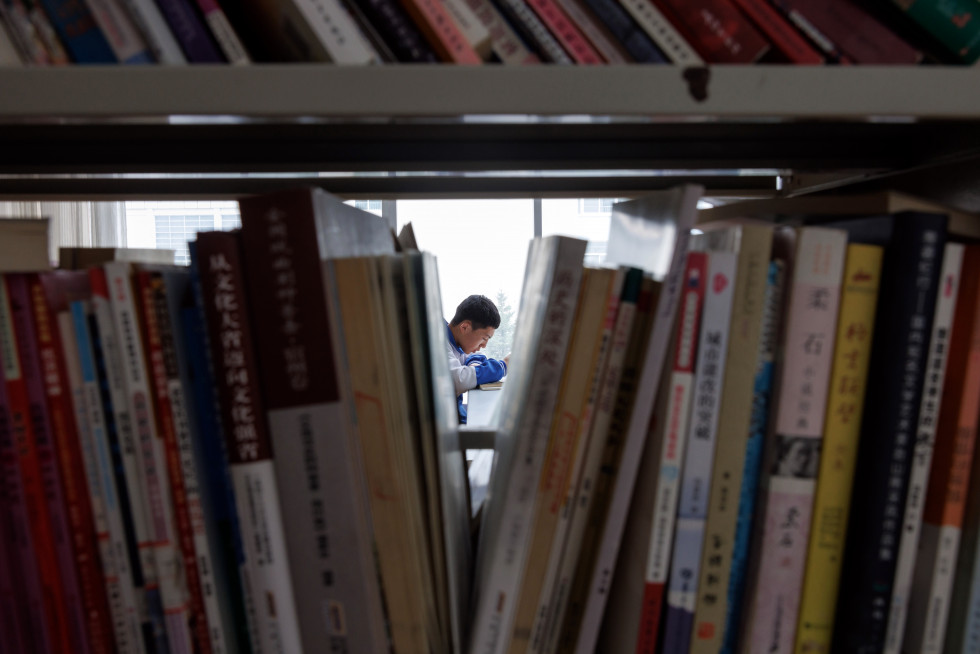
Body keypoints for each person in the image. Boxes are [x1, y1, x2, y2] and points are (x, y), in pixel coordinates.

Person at [447, 294, 508, 423]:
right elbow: (460, 380)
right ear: (465, 327)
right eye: (484, 338)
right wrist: (504, 366)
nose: (484, 346)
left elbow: (474, 356)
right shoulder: (437, 341)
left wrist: (473, 364)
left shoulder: (457, 342)